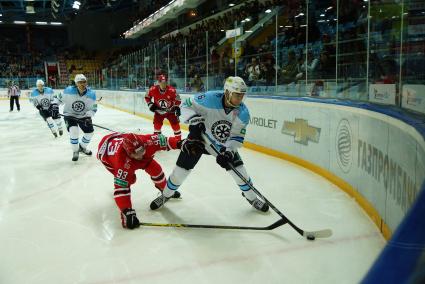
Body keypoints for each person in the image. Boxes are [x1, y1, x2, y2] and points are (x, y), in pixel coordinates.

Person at [150, 76, 269, 213]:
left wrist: (229, 151)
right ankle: (166, 195)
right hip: (199, 139)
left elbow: (236, 136)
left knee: (240, 172)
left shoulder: (243, 113)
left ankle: (252, 198)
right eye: (237, 95)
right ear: (227, 92)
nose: (240, 99)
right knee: (180, 171)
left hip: (221, 146)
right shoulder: (209, 98)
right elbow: (185, 106)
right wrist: (195, 122)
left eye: (242, 95)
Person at [97, 132, 182, 229]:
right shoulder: (121, 162)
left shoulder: (147, 141)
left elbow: (165, 140)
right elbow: (121, 190)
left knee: (156, 169)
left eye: (142, 150)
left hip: (119, 138)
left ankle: (164, 189)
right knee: (130, 180)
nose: (141, 155)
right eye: (136, 153)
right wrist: (126, 212)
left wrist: (180, 143)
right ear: (129, 153)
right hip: (105, 154)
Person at [57, 74, 97, 162]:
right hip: (70, 115)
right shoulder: (68, 91)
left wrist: (88, 116)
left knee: (90, 133)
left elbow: (93, 109)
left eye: (84, 82)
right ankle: (75, 151)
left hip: (83, 116)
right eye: (80, 82)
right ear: (76, 83)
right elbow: (58, 99)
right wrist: (54, 106)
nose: (83, 84)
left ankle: (82, 147)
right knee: (74, 131)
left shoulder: (92, 94)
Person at [144, 74, 182, 139]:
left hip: (170, 111)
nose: (163, 84)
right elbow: (147, 97)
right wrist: (150, 104)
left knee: (176, 127)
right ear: (159, 82)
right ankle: (158, 142)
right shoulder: (153, 89)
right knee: (157, 127)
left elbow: (178, 100)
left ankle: (178, 141)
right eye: (162, 82)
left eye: (165, 82)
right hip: (158, 111)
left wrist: (176, 107)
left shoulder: (172, 90)